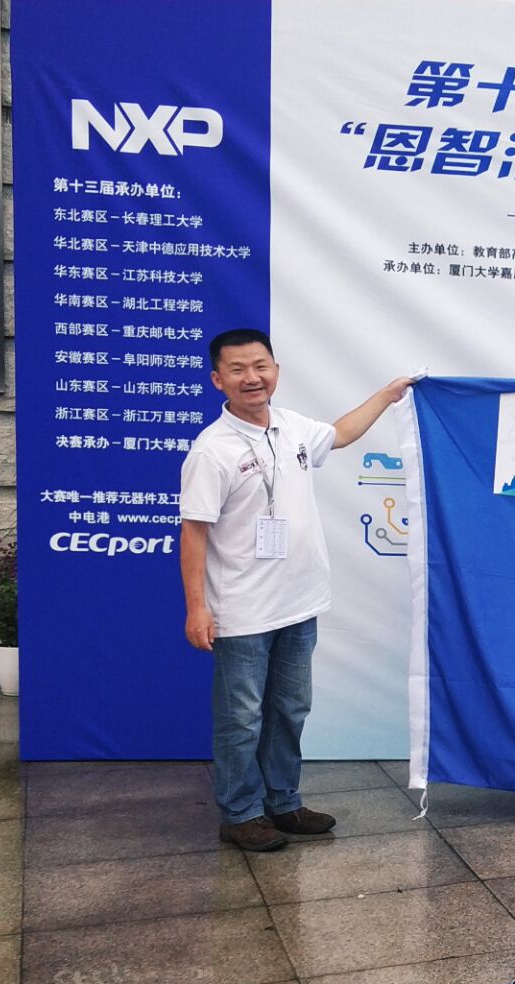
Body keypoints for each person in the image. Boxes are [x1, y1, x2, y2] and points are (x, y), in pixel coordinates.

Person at [179, 329, 414, 852]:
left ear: (276, 370)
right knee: (241, 718)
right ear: (217, 380)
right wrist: (197, 607)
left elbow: (342, 433)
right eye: (238, 369)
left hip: (298, 603)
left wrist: (387, 394)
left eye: (260, 366)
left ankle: (283, 801)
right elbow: (193, 532)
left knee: (290, 709)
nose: (252, 378)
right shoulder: (212, 450)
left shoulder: (292, 427)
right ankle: (240, 813)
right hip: (242, 610)